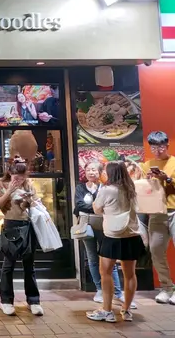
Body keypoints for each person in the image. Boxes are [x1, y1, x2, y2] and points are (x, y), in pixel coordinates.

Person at [87, 161, 145, 323]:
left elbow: (97, 208)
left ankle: (107, 311)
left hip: (112, 236)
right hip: (131, 235)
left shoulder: (107, 189)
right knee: (130, 274)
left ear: (111, 173)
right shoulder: (131, 188)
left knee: (105, 272)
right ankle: (126, 310)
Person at [74, 162, 135, 308]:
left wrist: (97, 207)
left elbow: (98, 206)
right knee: (92, 258)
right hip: (87, 225)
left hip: (106, 227)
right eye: (88, 170)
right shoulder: (81, 187)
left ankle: (117, 293)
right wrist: (99, 207)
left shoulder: (106, 188)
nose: (91, 172)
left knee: (109, 259)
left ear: (101, 172)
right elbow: (79, 205)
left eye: (94, 170)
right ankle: (100, 290)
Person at [0, 157, 43, 317]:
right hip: (11, 226)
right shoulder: (1, 185)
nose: (19, 181)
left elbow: (33, 205)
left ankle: (33, 301)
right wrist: (9, 191)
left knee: (29, 265)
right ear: (10, 173)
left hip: (28, 225)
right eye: (16, 178)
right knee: (8, 265)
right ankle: (6, 301)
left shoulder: (29, 185)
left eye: (21, 178)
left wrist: (29, 200)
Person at [140, 131, 175, 304]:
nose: (158, 150)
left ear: (167, 146)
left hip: (174, 210)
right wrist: (148, 181)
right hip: (156, 212)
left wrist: (167, 179)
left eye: (161, 147)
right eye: (154, 147)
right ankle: (167, 287)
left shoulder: (174, 162)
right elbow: (143, 190)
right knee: (155, 250)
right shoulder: (147, 165)